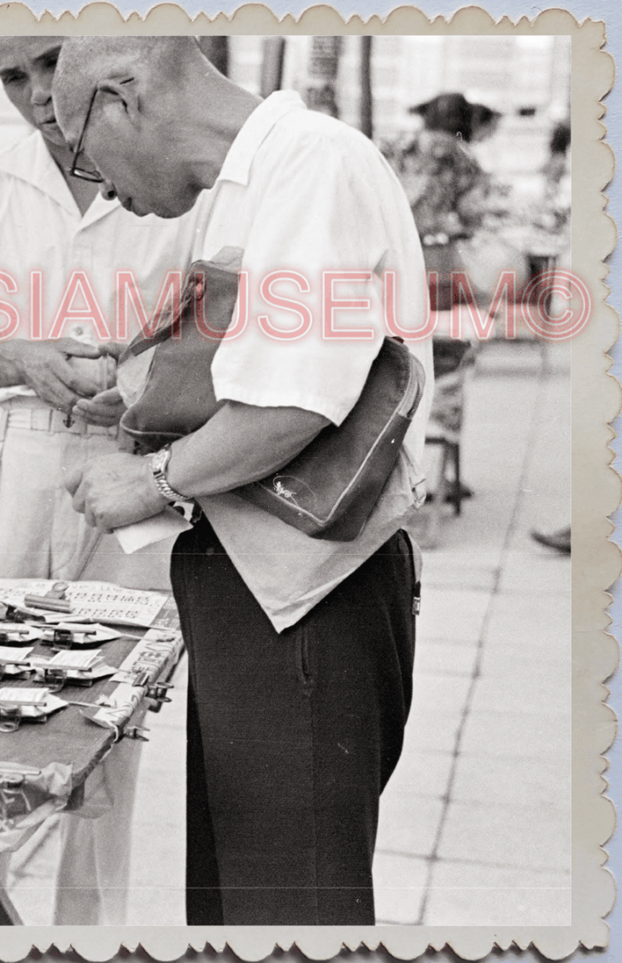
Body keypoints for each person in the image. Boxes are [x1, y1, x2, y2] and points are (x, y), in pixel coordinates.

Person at [54, 36, 433, 925]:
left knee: (288, 907)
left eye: (81, 150)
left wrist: (151, 479)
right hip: (260, 589)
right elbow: (271, 376)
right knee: (238, 901)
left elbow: (289, 407)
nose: (100, 186)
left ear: (121, 99)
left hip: (309, 600)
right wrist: (152, 403)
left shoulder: (313, 166)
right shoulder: (266, 179)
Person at [0, 36, 195, 925]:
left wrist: (140, 388)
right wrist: (18, 354)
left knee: (111, 715)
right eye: (9, 76)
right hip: (12, 454)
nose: (33, 93)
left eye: (47, 63)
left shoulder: (179, 189)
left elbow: (217, 332)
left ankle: (83, 929)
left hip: (135, 467)